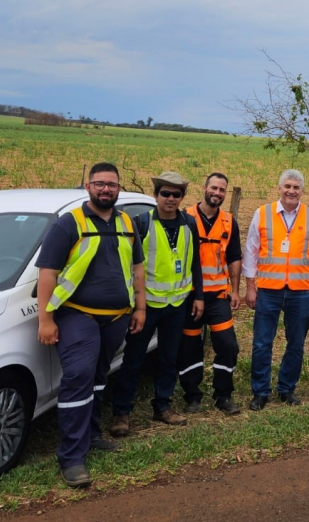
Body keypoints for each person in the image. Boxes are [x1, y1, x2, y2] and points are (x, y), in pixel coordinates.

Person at [36, 162, 145, 488]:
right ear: (87, 186)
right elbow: (47, 274)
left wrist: (140, 307)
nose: (105, 189)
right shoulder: (69, 224)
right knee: (79, 376)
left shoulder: (126, 222)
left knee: (98, 377)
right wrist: (45, 319)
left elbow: (137, 268)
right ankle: (71, 457)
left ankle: (92, 435)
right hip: (76, 315)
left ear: (119, 188)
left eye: (111, 184)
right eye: (99, 184)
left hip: (116, 318)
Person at [109, 171, 204, 437]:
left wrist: (198, 295)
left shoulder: (190, 224)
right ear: (156, 195)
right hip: (146, 306)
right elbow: (130, 265)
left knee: (168, 359)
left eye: (176, 194)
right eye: (165, 194)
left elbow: (195, 262)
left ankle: (162, 406)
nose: (170, 199)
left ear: (182, 197)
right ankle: (122, 412)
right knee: (133, 360)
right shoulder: (141, 223)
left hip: (177, 305)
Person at [243, 169, 309, 411]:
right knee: (262, 342)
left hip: (300, 292)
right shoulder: (262, 214)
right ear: (279, 188)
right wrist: (250, 287)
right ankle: (260, 391)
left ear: (302, 191)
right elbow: (251, 250)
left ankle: (286, 388)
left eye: (296, 187)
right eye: (287, 186)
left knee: (296, 342)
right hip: (268, 290)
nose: (291, 191)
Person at [180, 172, 243, 415]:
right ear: (204, 187)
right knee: (189, 346)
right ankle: (192, 395)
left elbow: (234, 257)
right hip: (189, 296)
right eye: (214, 188)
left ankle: (223, 394)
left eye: (222, 190)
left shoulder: (229, 222)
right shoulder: (185, 217)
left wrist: (235, 291)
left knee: (228, 345)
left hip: (218, 296)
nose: (217, 193)